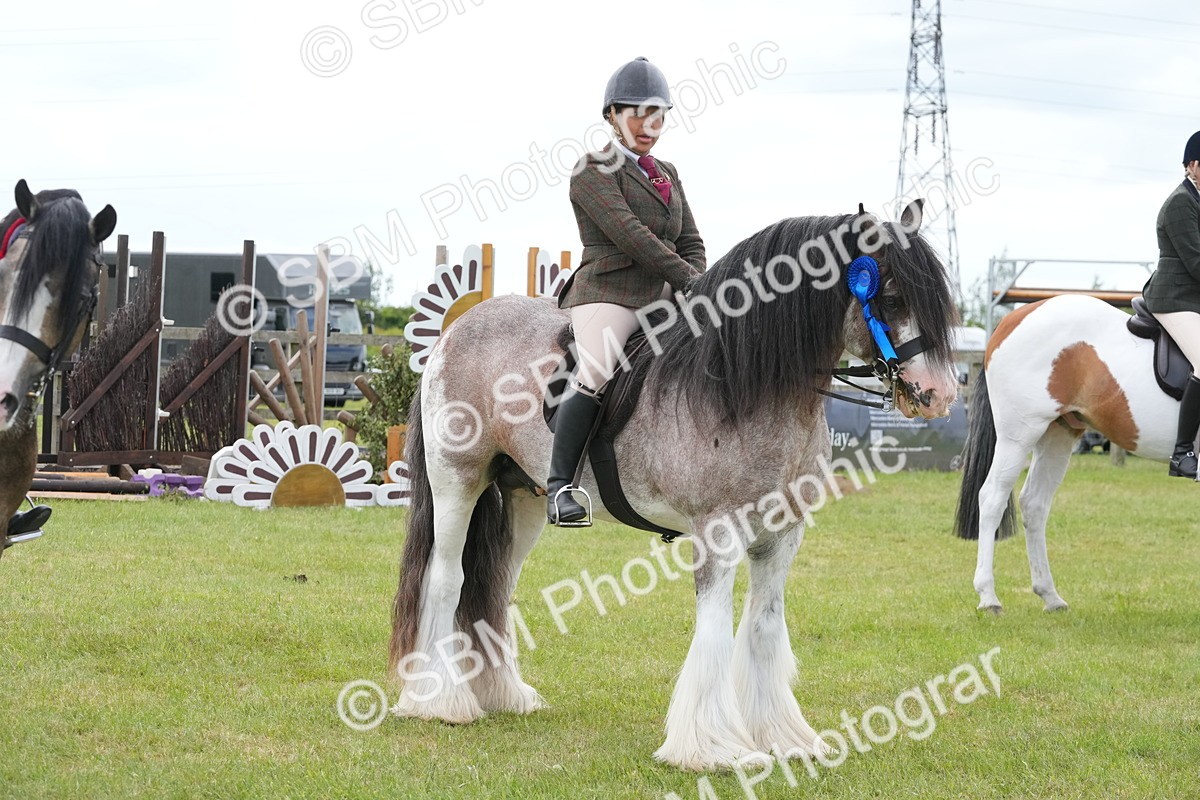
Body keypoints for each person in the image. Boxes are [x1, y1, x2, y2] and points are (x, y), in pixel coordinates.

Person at [546, 56, 706, 525]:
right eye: (636, 112)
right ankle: (560, 489)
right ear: (612, 116)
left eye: (657, 114)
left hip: (664, 295)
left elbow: (691, 240)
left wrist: (700, 280)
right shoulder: (592, 169)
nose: (648, 124)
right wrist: (689, 280)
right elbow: (631, 235)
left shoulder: (668, 174)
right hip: (608, 293)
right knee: (597, 368)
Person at [1144, 130, 1200, 478]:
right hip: (1173, 297)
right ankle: (1182, 454)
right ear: (1193, 165)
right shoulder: (1181, 202)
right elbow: (1196, 263)